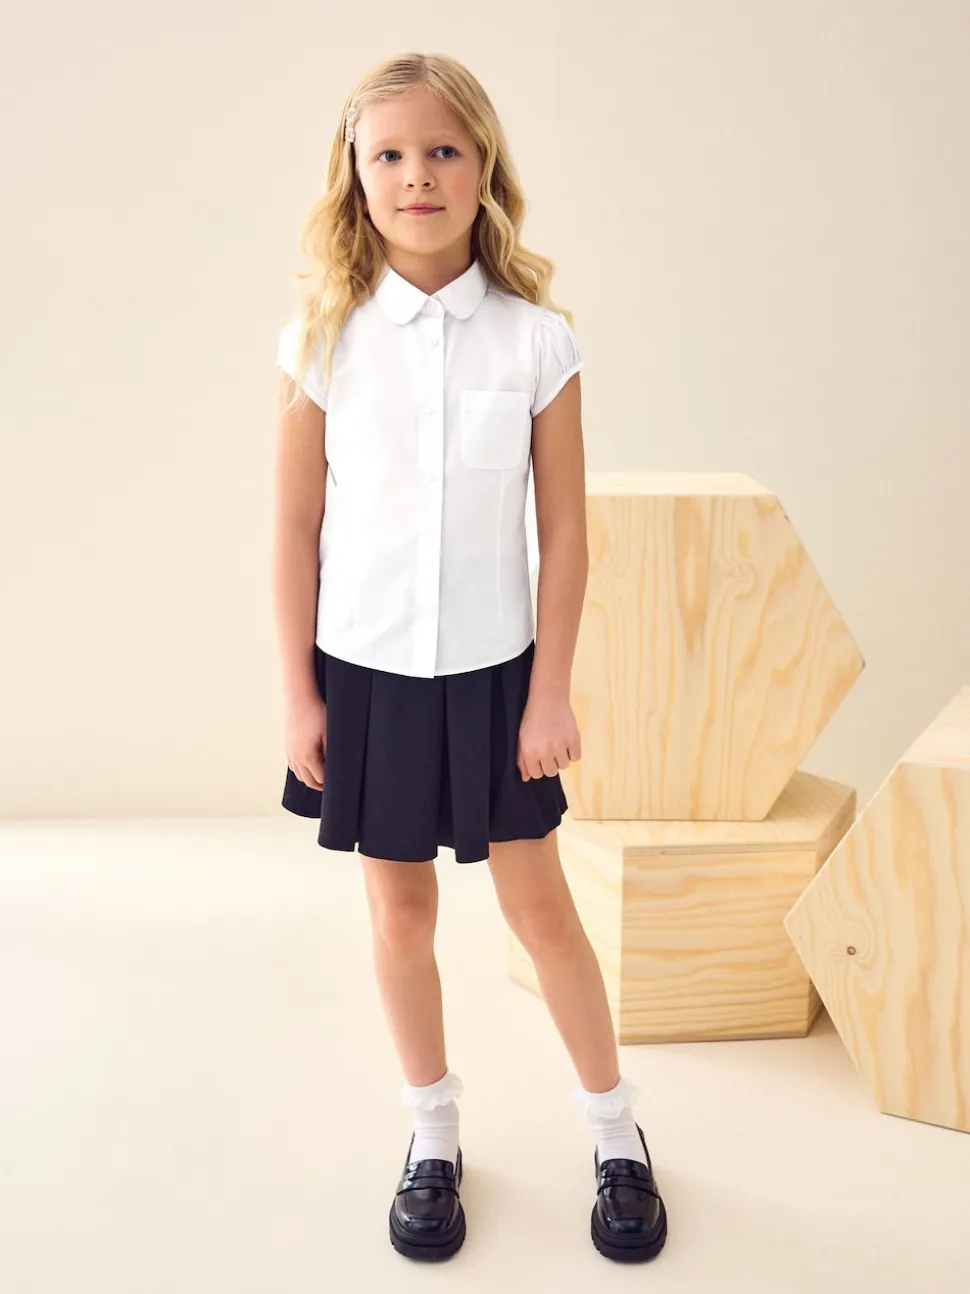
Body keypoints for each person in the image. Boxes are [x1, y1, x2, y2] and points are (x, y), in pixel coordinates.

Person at [271, 51, 667, 1265]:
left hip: (499, 678)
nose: (417, 175)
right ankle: (432, 1136)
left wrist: (549, 690)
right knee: (399, 912)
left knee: (541, 910)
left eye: (442, 149)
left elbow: (566, 533)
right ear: (354, 175)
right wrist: (298, 695)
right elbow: (293, 528)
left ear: (482, 163)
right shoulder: (321, 343)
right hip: (367, 676)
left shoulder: (538, 344)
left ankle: (615, 1134)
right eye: (389, 153)